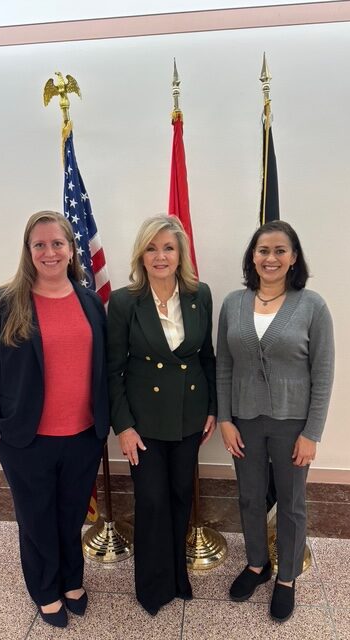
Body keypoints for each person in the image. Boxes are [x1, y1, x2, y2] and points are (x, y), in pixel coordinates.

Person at [0, 211, 109, 628]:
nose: (50, 252)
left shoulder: (89, 301)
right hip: (25, 440)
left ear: (71, 249)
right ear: (28, 251)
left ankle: (71, 580)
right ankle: (45, 590)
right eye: (40, 244)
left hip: (83, 435)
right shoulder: (1, 303)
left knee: (71, 515)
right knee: (36, 521)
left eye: (57, 243)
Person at [216, 220, 334, 623]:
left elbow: (323, 373)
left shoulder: (312, 306)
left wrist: (312, 433)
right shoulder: (233, 303)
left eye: (280, 250)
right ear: (253, 256)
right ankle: (256, 564)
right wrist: (225, 419)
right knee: (250, 496)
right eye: (263, 250)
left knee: (291, 501)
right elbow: (223, 366)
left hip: (292, 424)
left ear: (294, 257)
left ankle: (287, 577)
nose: (271, 258)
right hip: (244, 421)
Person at [107, 214, 217, 616]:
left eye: (168, 248)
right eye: (152, 248)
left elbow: (207, 357)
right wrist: (123, 426)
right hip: (144, 422)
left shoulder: (200, 294)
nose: (160, 256)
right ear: (141, 255)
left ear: (180, 254)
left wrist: (212, 408)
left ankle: (177, 577)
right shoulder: (124, 301)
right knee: (152, 500)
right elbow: (113, 369)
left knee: (180, 495)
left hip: (190, 415)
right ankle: (153, 587)